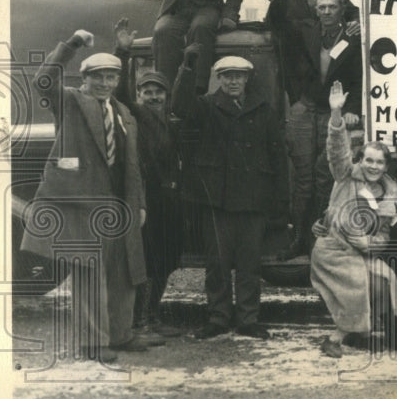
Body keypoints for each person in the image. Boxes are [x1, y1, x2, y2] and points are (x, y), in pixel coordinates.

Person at [20, 31, 147, 363]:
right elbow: (44, 82)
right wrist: (72, 45)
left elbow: (132, 163)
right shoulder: (72, 102)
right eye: (99, 77)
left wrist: (140, 203)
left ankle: (120, 334)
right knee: (89, 273)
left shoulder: (122, 111)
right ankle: (93, 343)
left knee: (124, 272)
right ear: (85, 78)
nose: (106, 82)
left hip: (120, 205)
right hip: (83, 204)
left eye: (111, 76)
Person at [237, 0, 362, 254]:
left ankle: (324, 237)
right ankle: (299, 238)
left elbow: (357, 17)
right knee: (303, 173)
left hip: (333, 102)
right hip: (302, 93)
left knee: (329, 172)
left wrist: (356, 25)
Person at [171, 46, 288, 340]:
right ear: (218, 79)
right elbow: (181, 106)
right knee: (218, 263)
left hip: (253, 200)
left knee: (250, 264)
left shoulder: (265, 110)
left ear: (247, 79)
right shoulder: (205, 106)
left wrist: (279, 203)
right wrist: (187, 68)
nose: (233, 82)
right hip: (216, 201)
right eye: (227, 77)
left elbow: (277, 158)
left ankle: (248, 319)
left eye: (238, 76)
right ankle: (219, 318)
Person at [310, 81, 397, 358]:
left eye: (379, 162)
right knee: (361, 284)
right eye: (369, 160)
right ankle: (336, 338)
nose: (373, 167)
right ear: (360, 160)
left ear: (386, 166)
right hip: (334, 252)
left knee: (387, 282)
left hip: (361, 251)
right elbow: (336, 150)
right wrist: (337, 115)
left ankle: (357, 333)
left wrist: (370, 244)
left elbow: (385, 233)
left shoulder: (390, 191)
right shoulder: (346, 174)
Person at [113, 18, 184, 339]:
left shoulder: (170, 122)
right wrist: (123, 53)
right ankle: (140, 322)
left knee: (167, 260)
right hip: (148, 198)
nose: (153, 97)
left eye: (158, 92)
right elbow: (122, 95)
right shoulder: (137, 115)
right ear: (140, 95)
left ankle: (153, 317)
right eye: (147, 91)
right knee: (150, 260)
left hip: (170, 200)